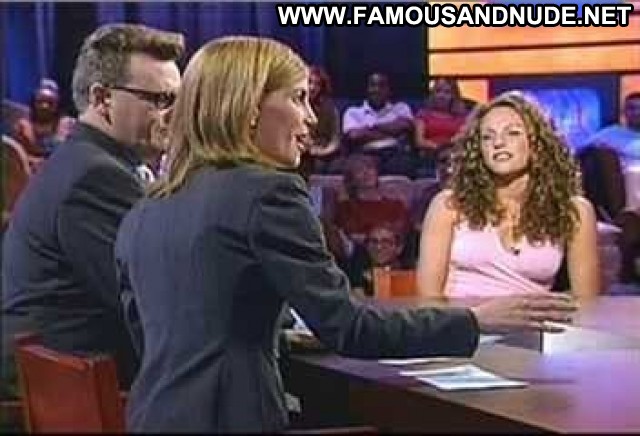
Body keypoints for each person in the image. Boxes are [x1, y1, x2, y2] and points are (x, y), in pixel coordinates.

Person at [114, 36, 576, 433]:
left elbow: (151, 333)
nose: (312, 118)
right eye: (298, 98)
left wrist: (271, 335)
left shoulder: (145, 207)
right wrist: (476, 321)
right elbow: (351, 330)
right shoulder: (268, 193)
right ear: (250, 108)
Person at [1, 23, 184, 390]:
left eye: (179, 101)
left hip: (76, 378)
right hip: (68, 392)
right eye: (161, 100)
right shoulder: (96, 177)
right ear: (102, 99)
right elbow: (155, 301)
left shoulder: (89, 160)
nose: (175, 115)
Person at [417, 91, 600, 299]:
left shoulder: (574, 211)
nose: (498, 143)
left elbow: (586, 301)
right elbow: (429, 299)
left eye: (512, 133)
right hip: (463, 317)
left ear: (537, 144)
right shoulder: (449, 205)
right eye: (487, 137)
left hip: (534, 318)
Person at [342, 72, 415, 176]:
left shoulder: (401, 108)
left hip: (395, 154)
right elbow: (355, 135)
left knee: (406, 166)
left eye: (382, 86)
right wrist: (392, 133)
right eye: (373, 85)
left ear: (389, 90)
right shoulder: (353, 112)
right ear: (367, 89)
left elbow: (405, 126)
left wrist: (370, 128)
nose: (377, 90)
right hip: (366, 154)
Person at [12, 78, 76, 169]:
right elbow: (15, 156)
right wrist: (36, 162)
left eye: (50, 103)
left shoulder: (68, 125)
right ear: (33, 103)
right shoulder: (22, 127)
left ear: (57, 105)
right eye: (40, 102)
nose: (45, 106)